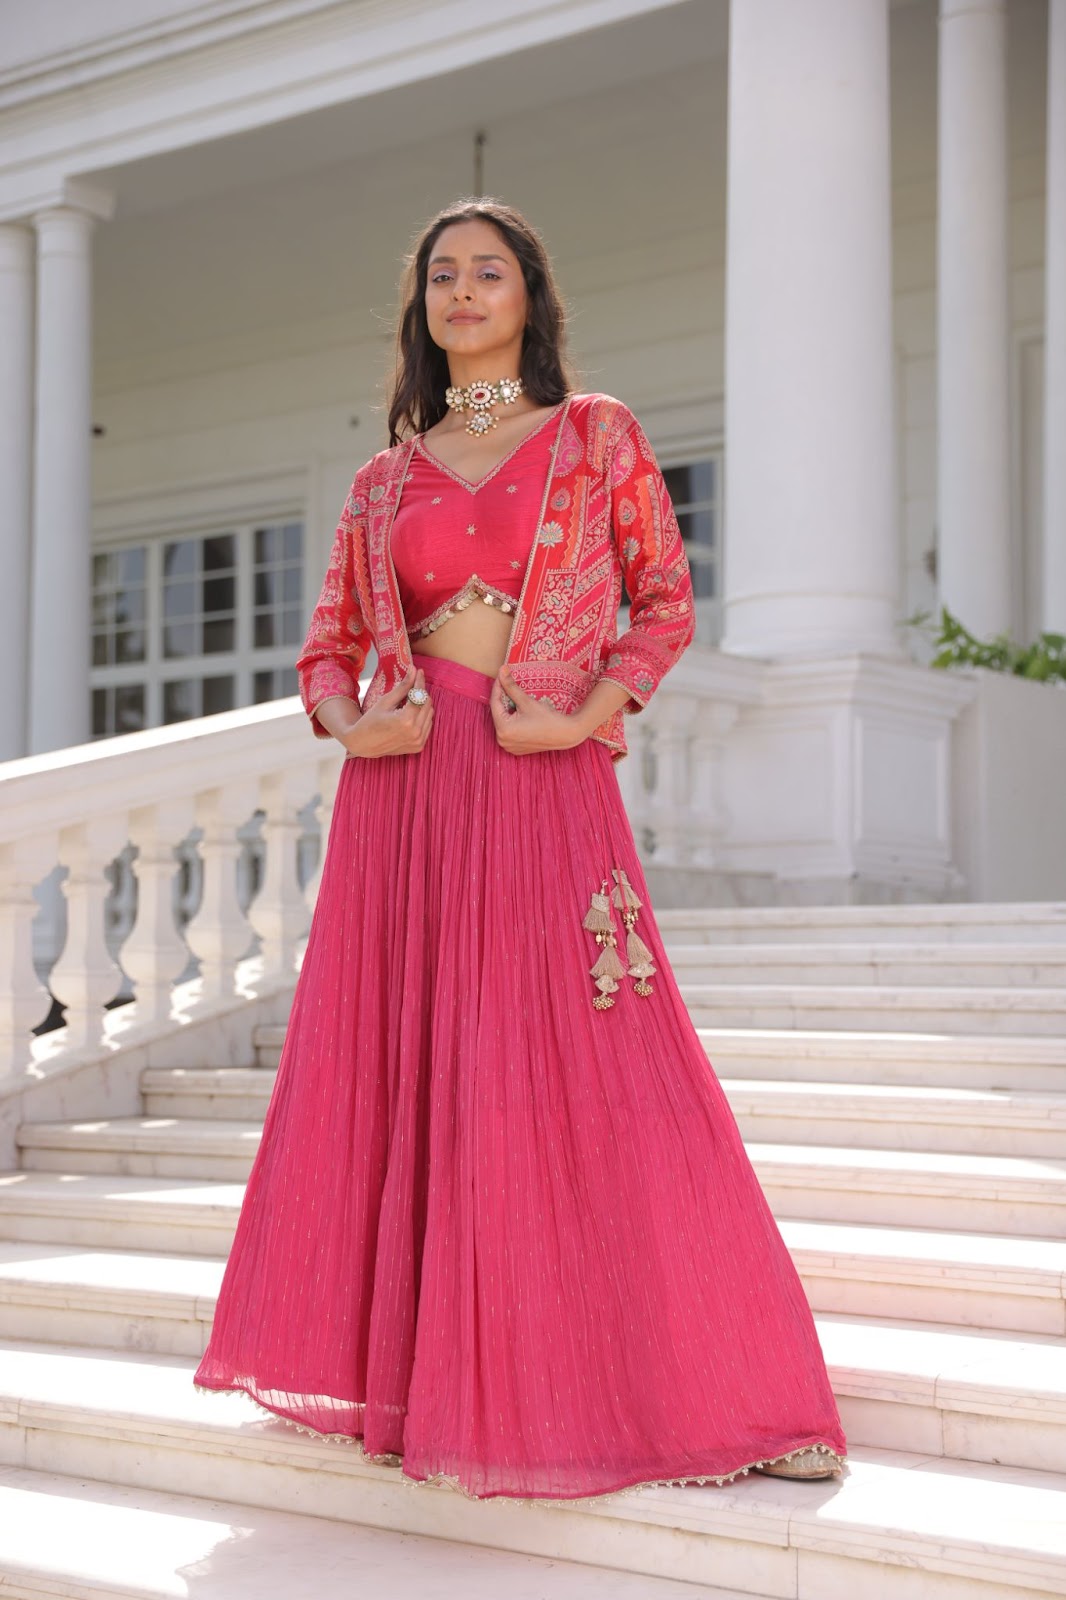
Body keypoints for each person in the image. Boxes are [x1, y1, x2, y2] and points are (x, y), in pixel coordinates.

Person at [193, 198, 847, 1502]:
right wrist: (347, 724)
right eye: (442, 274)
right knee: (419, 1061)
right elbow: (325, 645)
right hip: (408, 793)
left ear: (530, 298)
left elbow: (661, 604)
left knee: (597, 1058)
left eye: (488, 270)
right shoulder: (386, 476)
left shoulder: (592, 435)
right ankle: (432, 1383)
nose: (462, 290)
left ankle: (721, 1387)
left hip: (541, 778)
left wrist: (580, 721)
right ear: (419, 308)